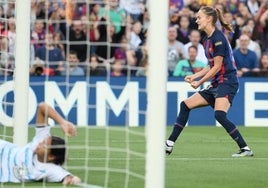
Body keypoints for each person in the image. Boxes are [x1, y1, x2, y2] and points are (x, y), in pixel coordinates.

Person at [165, 6, 253, 157]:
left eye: (199, 17)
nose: (196, 20)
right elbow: (210, 65)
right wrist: (194, 76)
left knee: (219, 115)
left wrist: (199, 82)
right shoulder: (207, 40)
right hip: (217, 83)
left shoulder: (218, 38)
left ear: (209, 19)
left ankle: (245, 149)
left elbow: (218, 66)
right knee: (185, 105)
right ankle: (169, 144)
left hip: (228, 81)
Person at [0, 102, 81, 185]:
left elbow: (71, 178)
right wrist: (62, 122)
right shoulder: (41, 138)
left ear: (51, 157)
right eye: (43, 142)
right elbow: (42, 107)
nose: (40, 144)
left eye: (44, 145)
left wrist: (71, 179)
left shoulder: (50, 169)